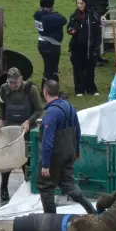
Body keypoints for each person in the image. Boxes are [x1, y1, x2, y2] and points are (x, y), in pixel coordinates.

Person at [36, 79, 94, 215]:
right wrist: (77, 150)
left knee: (46, 187)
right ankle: (92, 211)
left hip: (55, 157)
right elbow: (77, 129)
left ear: (45, 92)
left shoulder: (51, 113)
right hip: (69, 153)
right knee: (68, 183)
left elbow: (47, 141)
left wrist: (45, 165)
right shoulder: (69, 107)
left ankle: (50, 221)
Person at [0, 68, 43, 203]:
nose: (13, 85)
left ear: (21, 78)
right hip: (9, 128)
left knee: (26, 159)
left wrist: (28, 121)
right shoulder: (3, 89)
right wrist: (0, 121)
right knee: (7, 160)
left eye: (15, 82)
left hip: (26, 129)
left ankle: (28, 185)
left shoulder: (30, 89)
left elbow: (39, 109)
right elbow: (2, 108)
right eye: (10, 82)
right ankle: (3, 186)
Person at [68, 0, 103, 97]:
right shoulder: (74, 15)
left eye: (81, 3)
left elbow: (97, 32)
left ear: (86, 3)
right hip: (77, 48)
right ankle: (79, 89)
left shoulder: (93, 16)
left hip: (90, 48)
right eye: (78, 3)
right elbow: (70, 26)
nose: (79, 6)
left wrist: (96, 46)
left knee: (90, 69)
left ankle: (91, 88)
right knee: (78, 69)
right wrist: (71, 30)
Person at [35, 0, 66, 84]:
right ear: (51, 6)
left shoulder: (38, 15)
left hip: (42, 43)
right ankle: (50, 91)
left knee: (48, 68)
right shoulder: (49, 18)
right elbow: (63, 20)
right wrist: (53, 13)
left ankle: (46, 90)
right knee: (52, 70)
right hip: (51, 46)